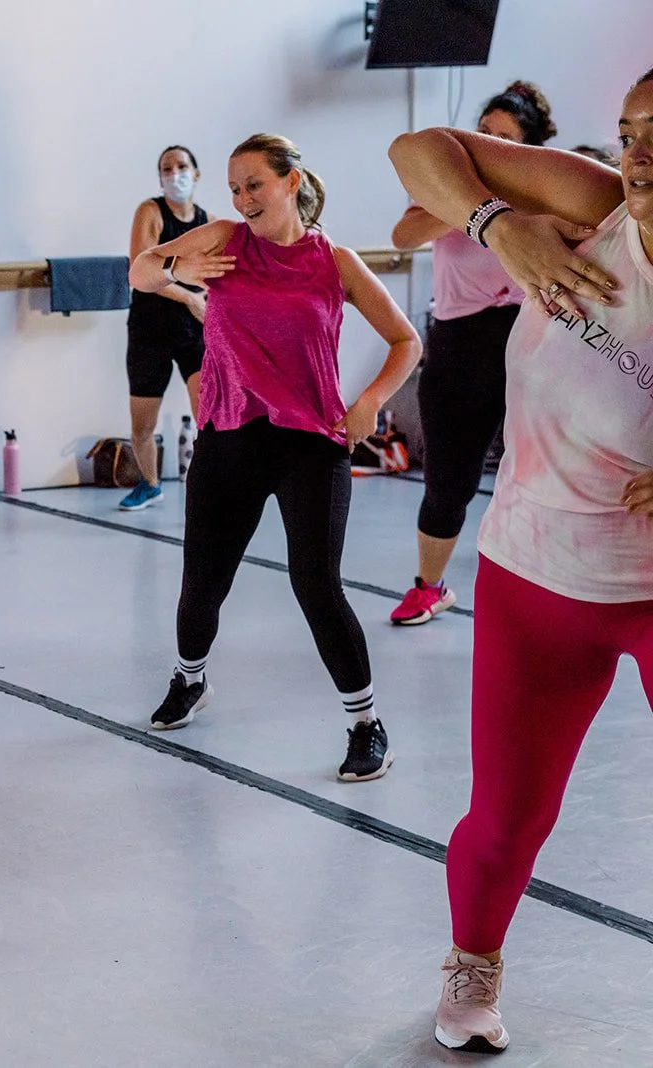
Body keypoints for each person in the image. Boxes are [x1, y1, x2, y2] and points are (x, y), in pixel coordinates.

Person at [389, 68, 652, 1056]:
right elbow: (418, 153)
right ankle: (472, 965)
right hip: (538, 576)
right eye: (629, 131)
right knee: (506, 822)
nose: (638, 155)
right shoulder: (589, 210)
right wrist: (503, 226)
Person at [131, 134, 420, 780]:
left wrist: (371, 398)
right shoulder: (224, 241)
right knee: (202, 586)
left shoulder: (335, 261)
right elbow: (141, 269)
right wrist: (179, 272)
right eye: (233, 188)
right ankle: (191, 678)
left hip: (311, 443)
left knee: (316, 583)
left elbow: (406, 339)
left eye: (254, 185)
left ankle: (367, 724)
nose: (241, 199)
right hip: (229, 434)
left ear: (291, 183)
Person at [388, 82, 556, 625]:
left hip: (528, 341)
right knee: (448, 482)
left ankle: (552, 589)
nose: (488, 143)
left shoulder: (545, 189)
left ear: (526, 148)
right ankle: (429, 587)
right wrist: (470, 204)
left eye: (502, 138)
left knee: (539, 472)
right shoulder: (447, 188)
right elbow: (403, 235)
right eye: (483, 133)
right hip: (458, 347)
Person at [119, 145, 214, 511]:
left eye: (182, 166)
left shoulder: (209, 221)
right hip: (149, 329)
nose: (175, 173)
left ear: (197, 172)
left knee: (207, 410)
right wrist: (189, 297)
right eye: (167, 168)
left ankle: (209, 484)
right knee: (143, 420)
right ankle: (149, 483)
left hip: (194, 331)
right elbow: (141, 272)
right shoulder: (151, 212)